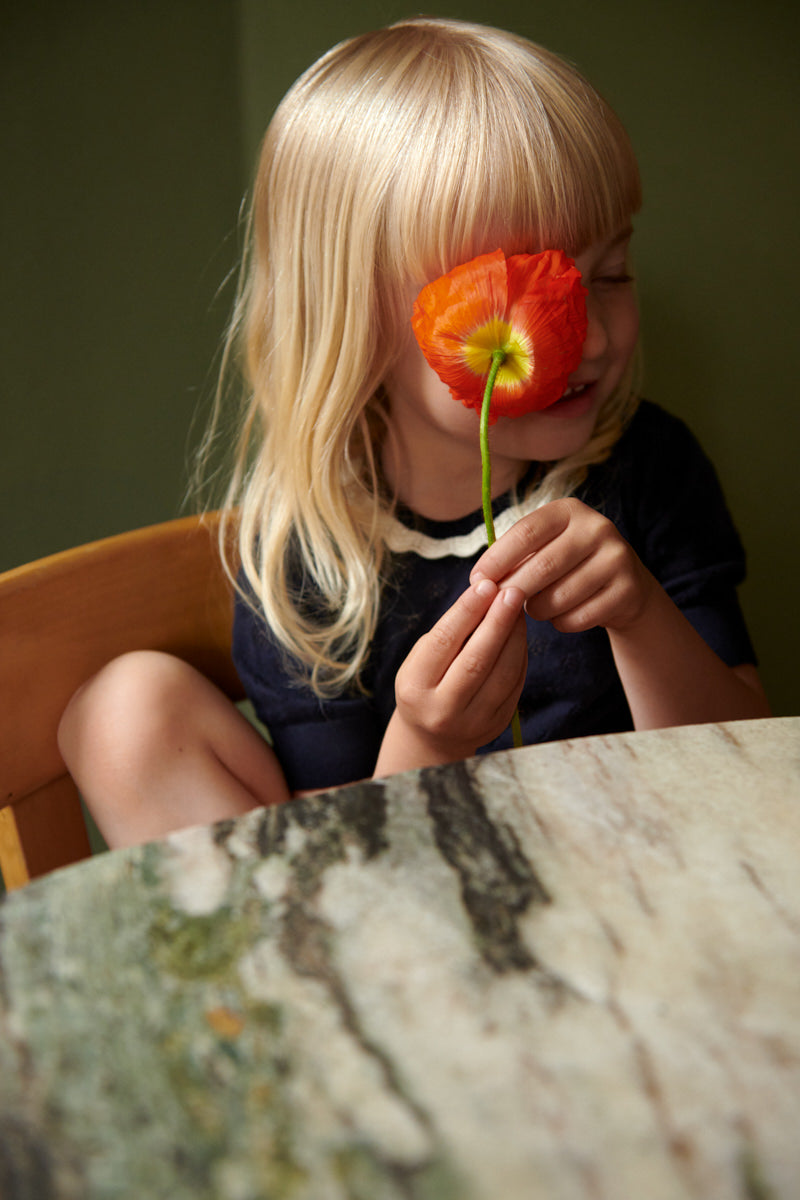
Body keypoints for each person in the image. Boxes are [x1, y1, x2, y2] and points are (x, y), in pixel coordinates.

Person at [57, 17, 770, 848]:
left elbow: (743, 778)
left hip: (641, 881)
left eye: (610, 274)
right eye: (516, 302)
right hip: (421, 913)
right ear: (361, 322)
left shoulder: (644, 466)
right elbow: (370, 875)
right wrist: (429, 739)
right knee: (123, 706)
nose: (600, 339)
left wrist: (642, 615)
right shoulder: (312, 561)